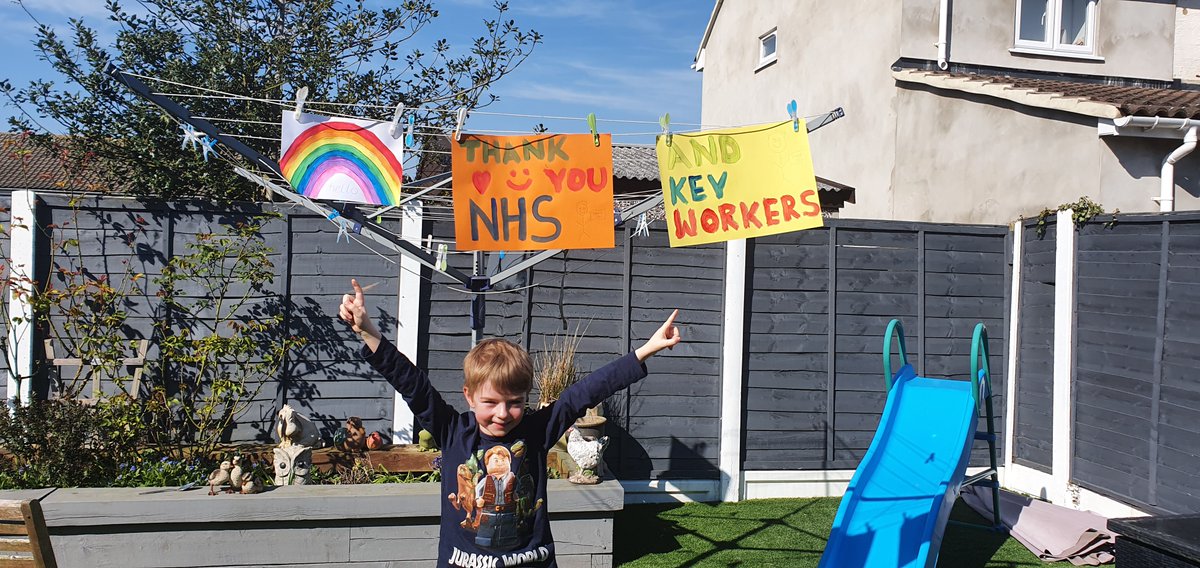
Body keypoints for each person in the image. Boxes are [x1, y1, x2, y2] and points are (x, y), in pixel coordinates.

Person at [338, 278, 681, 568]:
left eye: (514, 403)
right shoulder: (453, 431)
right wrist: (368, 329)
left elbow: (585, 392)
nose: (503, 413)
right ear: (469, 397)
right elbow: (411, 382)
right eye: (490, 402)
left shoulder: (536, 431)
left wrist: (645, 350)